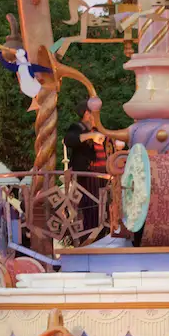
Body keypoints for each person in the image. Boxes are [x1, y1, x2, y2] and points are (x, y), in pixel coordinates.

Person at [64, 100, 106, 239]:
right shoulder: (78, 128)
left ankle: (100, 237)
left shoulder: (97, 130)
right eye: (95, 113)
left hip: (102, 177)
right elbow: (69, 140)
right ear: (87, 114)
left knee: (102, 209)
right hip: (87, 177)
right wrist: (90, 136)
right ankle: (89, 239)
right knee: (90, 210)